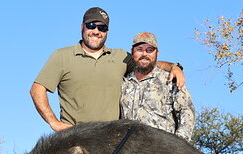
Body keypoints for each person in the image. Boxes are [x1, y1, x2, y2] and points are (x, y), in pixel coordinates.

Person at [30, 7, 185, 132]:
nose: (96, 31)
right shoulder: (62, 56)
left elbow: (145, 62)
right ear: (82, 27)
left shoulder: (120, 57)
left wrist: (173, 66)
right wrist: (54, 122)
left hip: (111, 141)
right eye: (91, 25)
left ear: (107, 32)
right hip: (75, 137)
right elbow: (37, 89)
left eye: (102, 28)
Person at [120, 32, 195, 141]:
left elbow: (187, 112)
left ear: (157, 53)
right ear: (132, 52)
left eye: (149, 50)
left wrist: (178, 145)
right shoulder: (124, 82)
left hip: (162, 152)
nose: (144, 54)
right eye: (139, 49)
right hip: (129, 152)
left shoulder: (170, 80)